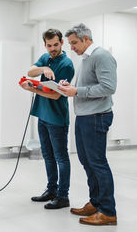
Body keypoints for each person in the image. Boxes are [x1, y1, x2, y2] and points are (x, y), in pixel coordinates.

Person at [58, 23, 117, 225]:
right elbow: (87, 86)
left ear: (86, 39)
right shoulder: (86, 58)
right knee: (87, 162)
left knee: (98, 163)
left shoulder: (101, 56)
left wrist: (78, 91)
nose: (71, 47)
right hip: (84, 116)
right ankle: (96, 202)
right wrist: (71, 87)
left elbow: (108, 88)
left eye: (74, 43)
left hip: (96, 116)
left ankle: (108, 211)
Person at [21, 28, 74, 209]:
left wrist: (32, 90)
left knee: (61, 157)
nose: (52, 48)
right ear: (45, 44)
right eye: (49, 45)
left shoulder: (66, 64)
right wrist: (44, 68)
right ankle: (51, 190)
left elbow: (56, 95)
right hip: (42, 116)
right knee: (48, 156)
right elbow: (31, 71)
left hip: (57, 119)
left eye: (56, 45)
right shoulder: (46, 59)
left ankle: (63, 196)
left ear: (61, 43)